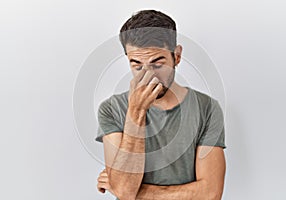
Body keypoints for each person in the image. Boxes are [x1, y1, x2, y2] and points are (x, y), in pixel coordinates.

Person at [95, 9, 226, 200]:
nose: (148, 76)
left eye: (157, 64)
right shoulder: (111, 109)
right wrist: (136, 112)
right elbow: (124, 191)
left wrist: (135, 192)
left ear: (177, 56)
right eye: (137, 65)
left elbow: (211, 194)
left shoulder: (207, 108)